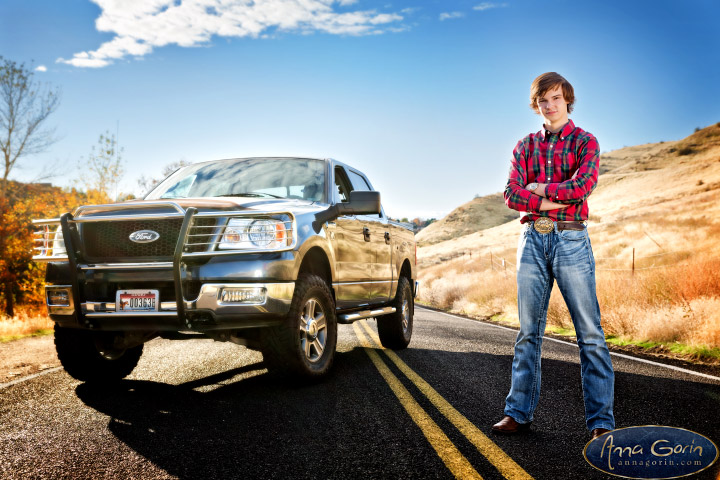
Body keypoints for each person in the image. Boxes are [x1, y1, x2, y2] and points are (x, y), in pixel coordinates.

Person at [495, 72, 615, 440]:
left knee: (589, 334)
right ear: (536, 105)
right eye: (543, 100)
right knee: (528, 333)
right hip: (531, 240)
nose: (550, 106)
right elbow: (511, 195)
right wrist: (555, 200)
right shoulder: (524, 146)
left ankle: (600, 424)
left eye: (556, 99)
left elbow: (583, 186)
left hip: (571, 239)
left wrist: (541, 190)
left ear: (567, 100)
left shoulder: (585, 142)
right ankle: (517, 414)